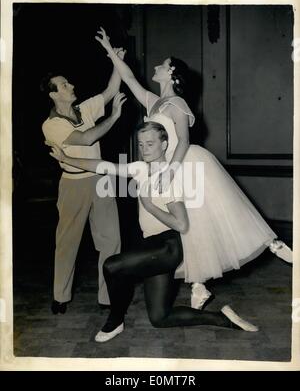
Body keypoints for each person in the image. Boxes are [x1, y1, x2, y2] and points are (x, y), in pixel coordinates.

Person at [94, 28, 293, 310]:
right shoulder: (154, 102)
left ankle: (272, 243)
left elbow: (183, 140)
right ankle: (198, 284)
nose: (154, 67)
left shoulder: (177, 103)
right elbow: (127, 78)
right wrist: (110, 51)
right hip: (165, 166)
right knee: (190, 228)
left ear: (171, 72)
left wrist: (169, 172)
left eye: (161, 65)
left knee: (209, 218)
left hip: (184, 162)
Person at [47, 121, 259, 342]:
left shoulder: (168, 178)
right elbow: (104, 166)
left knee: (112, 266)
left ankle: (115, 321)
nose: (144, 148)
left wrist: (149, 206)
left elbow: (182, 225)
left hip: (169, 246)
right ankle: (223, 319)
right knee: (160, 317)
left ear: (164, 144)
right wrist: (67, 159)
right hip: (153, 246)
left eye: (150, 143)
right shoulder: (140, 168)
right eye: (141, 144)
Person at [41, 48, 126, 314]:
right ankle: (60, 295)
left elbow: (111, 90)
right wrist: (113, 117)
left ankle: (107, 297)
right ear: (54, 94)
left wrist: (117, 61)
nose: (72, 86)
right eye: (65, 85)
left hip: (100, 179)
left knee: (111, 240)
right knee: (68, 241)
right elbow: (86, 139)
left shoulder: (84, 108)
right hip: (73, 184)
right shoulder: (51, 125)